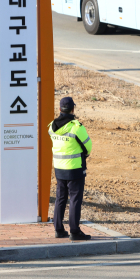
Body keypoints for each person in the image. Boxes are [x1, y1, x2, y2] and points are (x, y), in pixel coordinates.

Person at [49, 96, 92, 241]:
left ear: (60, 109)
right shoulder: (76, 127)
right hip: (75, 169)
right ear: (73, 109)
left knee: (60, 198)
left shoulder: (52, 126)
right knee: (74, 199)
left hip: (59, 168)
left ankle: (58, 229)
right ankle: (74, 231)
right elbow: (88, 147)